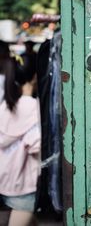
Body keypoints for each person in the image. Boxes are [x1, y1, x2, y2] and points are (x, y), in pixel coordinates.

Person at [0, 53, 41, 226]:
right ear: (34, 77)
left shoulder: (5, 105)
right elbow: (35, 145)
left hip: (4, 179)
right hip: (24, 184)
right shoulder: (35, 108)